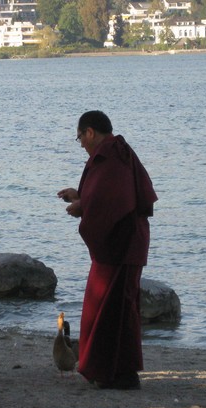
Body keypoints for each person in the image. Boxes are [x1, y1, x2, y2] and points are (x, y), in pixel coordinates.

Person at [58, 111, 157, 390]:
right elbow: (112, 197)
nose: (81, 145)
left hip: (121, 245)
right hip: (123, 243)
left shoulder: (112, 155)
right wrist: (81, 198)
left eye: (80, 137)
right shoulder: (117, 153)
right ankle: (111, 371)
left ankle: (120, 374)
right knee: (112, 308)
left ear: (90, 132)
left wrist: (82, 207)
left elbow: (113, 204)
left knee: (115, 309)